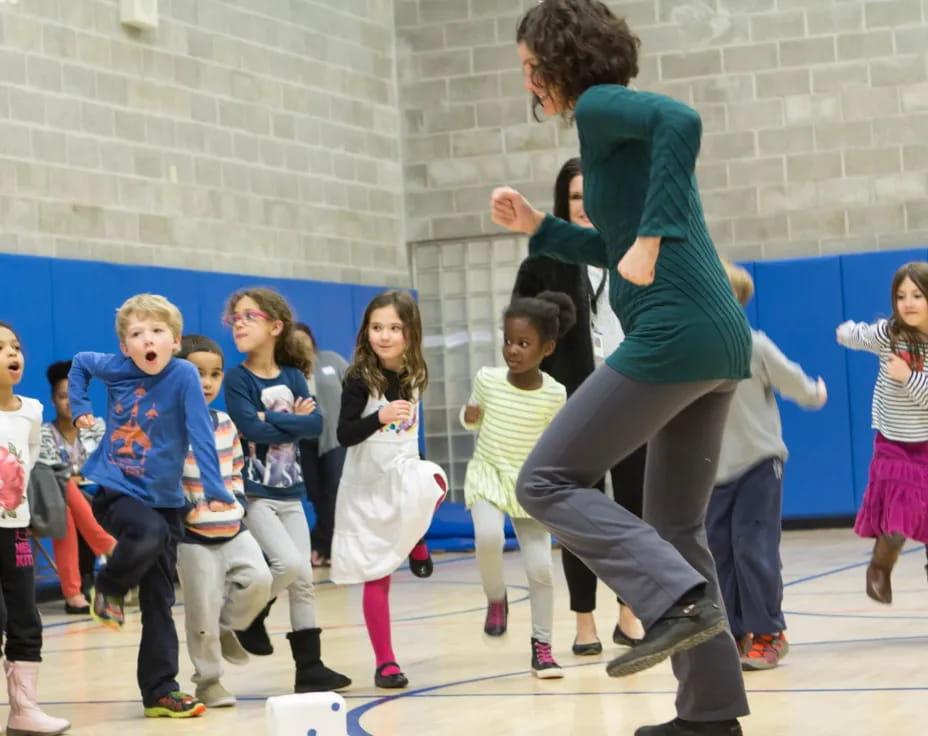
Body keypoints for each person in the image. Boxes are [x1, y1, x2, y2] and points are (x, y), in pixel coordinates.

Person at [489, 2, 752, 733]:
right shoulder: (605, 132)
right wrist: (540, 231)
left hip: (676, 333)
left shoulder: (603, 106)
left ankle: (674, 598)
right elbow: (617, 248)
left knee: (543, 480)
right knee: (676, 527)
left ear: (553, 62)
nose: (529, 87)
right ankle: (711, 716)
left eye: (528, 72)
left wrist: (659, 233)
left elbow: (684, 121)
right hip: (716, 339)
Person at [69, 294, 242, 718]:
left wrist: (215, 485)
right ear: (125, 346)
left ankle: (161, 690)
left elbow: (200, 431)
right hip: (117, 487)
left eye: (158, 331)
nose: (148, 339)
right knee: (148, 533)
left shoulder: (183, 375)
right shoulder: (115, 366)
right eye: (136, 334)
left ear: (176, 340)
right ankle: (108, 588)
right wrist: (80, 409)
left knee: (160, 601)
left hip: (166, 501)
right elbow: (79, 363)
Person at [513, 156, 646, 654]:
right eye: (574, 198)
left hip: (634, 393)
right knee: (580, 513)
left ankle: (629, 613)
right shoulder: (542, 260)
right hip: (573, 401)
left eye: (592, 196)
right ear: (561, 204)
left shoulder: (633, 252)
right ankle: (584, 620)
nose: (584, 206)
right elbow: (521, 333)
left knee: (633, 511)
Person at [222, 288, 350, 693]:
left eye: (249, 316)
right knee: (288, 563)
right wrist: (285, 420)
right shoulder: (238, 378)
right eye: (235, 318)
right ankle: (244, 617)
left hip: (290, 491)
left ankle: (309, 668)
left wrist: (272, 419)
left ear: (275, 327)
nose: (239, 322)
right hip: (256, 492)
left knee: (304, 579)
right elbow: (252, 429)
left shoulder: (294, 376)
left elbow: (315, 426)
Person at [708, 263, 827, 671]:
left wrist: (813, 393)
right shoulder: (691, 351)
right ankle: (736, 628)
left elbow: (791, 379)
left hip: (759, 462)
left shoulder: (753, 345)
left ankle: (769, 632)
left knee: (752, 547)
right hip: (713, 471)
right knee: (719, 550)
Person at [331, 290, 447, 689]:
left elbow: (412, 434)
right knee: (377, 576)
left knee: (435, 482)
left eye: (394, 328)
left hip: (402, 472)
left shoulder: (416, 375)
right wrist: (379, 416)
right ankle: (385, 662)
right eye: (377, 327)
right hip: (367, 486)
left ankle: (417, 540)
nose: (384, 336)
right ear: (366, 332)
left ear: (410, 333)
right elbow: (344, 435)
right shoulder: (360, 378)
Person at [462, 291, 574, 678]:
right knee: (488, 538)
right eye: (508, 341)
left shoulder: (555, 394)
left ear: (547, 348)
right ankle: (497, 599)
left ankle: (542, 647)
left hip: (529, 484)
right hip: (488, 475)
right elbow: (472, 421)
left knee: (541, 569)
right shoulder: (488, 380)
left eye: (523, 344)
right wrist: (469, 414)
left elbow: (555, 445)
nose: (512, 350)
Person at [174, 334, 273, 707]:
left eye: (215, 374)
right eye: (198, 373)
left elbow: (235, 471)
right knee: (200, 611)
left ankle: (228, 624)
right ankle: (209, 681)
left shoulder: (225, 423)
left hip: (232, 525)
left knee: (260, 579)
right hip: (192, 535)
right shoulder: (170, 424)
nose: (208, 382)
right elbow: (168, 477)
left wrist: (237, 502)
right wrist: (186, 510)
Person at [836, 261, 928, 605]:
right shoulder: (888, 335)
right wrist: (845, 332)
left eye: (917, 295)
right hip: (895, 446)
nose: (908, 303)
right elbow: (859, 334)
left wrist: (908, 376)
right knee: (896, 522)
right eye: (901, 296)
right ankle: (879, 567)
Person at [0, 321, 71, 736]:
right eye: (0, 347)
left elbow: (25, 463)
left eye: (16, 346)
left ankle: (24, 710)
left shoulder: (32, 410)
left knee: (25, 616)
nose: (13, 353)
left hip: (15, 529)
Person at [38, 360, 116, 614]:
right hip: (59, 499)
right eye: (63, 396)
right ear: (53, 400)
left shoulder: (97, 427)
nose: (69, 402)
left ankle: (73, 593)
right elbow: (51, 475)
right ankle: (107, 546)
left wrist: (74, 475)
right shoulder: (43, 434)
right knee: (64, 498)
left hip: (98, 496)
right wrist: (75, 475)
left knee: (70, 508)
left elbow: (104, 466)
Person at [292, 323, 349, 568]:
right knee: (316, 494)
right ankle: (324, 545)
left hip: (335, 439)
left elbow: (357, 389)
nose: (301, 344)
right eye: (295, 341)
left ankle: (325, 544)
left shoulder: (331, 360)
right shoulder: (288, 372)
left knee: (334, 493)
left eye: (304, 339)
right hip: (305, 442)